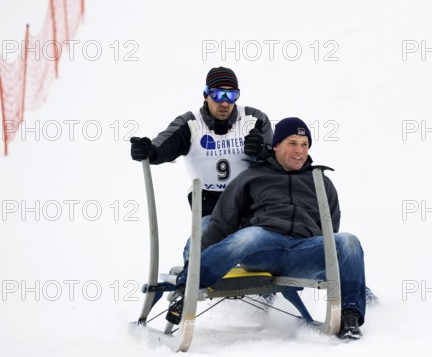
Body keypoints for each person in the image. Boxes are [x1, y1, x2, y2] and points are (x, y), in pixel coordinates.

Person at [174, 117, 367, 340]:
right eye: (292, 143)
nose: (299, 150)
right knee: (249, 236)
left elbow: (331, 231)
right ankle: (187, 286)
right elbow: (221, 224)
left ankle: (350, 316)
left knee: (348, 241)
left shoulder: (321, 182)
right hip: (262, 247)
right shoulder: (252, 177)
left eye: (304, 144)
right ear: (276, 145)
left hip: (301, 251)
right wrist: (195, 258)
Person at [130, 66, 273, 261]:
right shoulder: (191, 124)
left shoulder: (253, 119)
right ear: (206, 94)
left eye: (231, 96)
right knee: (205, 240)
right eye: (217, 95)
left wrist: (263, 151)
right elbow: (164, 145)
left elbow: (278, 159)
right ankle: (194, 267)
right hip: (211, 207)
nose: (224, 103)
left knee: (263, 241)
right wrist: (150, 151)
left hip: (250, 204)